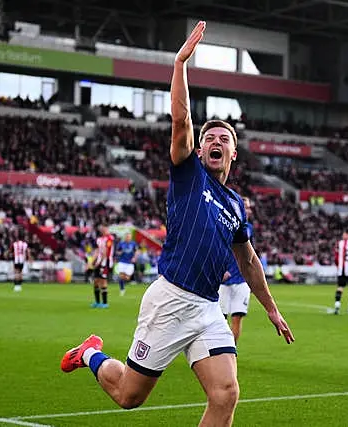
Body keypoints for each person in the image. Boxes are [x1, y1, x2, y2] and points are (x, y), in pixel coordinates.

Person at [60, 21, 293, 427]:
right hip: (169, 301)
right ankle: (90, 354)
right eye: (210, 139)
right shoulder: (189, 175)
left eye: (224, 139)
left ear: (234, 153)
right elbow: (182, 121)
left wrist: (271, 310)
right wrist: (180, 64)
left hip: (206, 307)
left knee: (226, 393)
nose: (216, 142)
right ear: (201, 150)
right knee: (129, 396)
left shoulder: (237, 205)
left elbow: (249, 262)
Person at [219, 197, 253, 344]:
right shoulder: (225, 225)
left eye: (249, 207)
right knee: (219, 321)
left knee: (236, 320)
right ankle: (219, 352)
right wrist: (220, 268)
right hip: (224, 281)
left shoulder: (248, 228)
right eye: (245, 207)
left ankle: (230, 352)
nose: (248, 210)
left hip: (241, 281)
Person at [92, 225, 114, 308]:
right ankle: (97, 302)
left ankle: (105, 303)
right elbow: (97, 251)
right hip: (99, 262)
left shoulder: (110, 238)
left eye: (104, 228)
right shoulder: (99, 239)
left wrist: (101, 262)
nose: (103, 230)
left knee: (103, 280)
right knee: (96, 280)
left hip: (105, 262)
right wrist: (92, 261)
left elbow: (106, 251)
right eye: (101, 229)